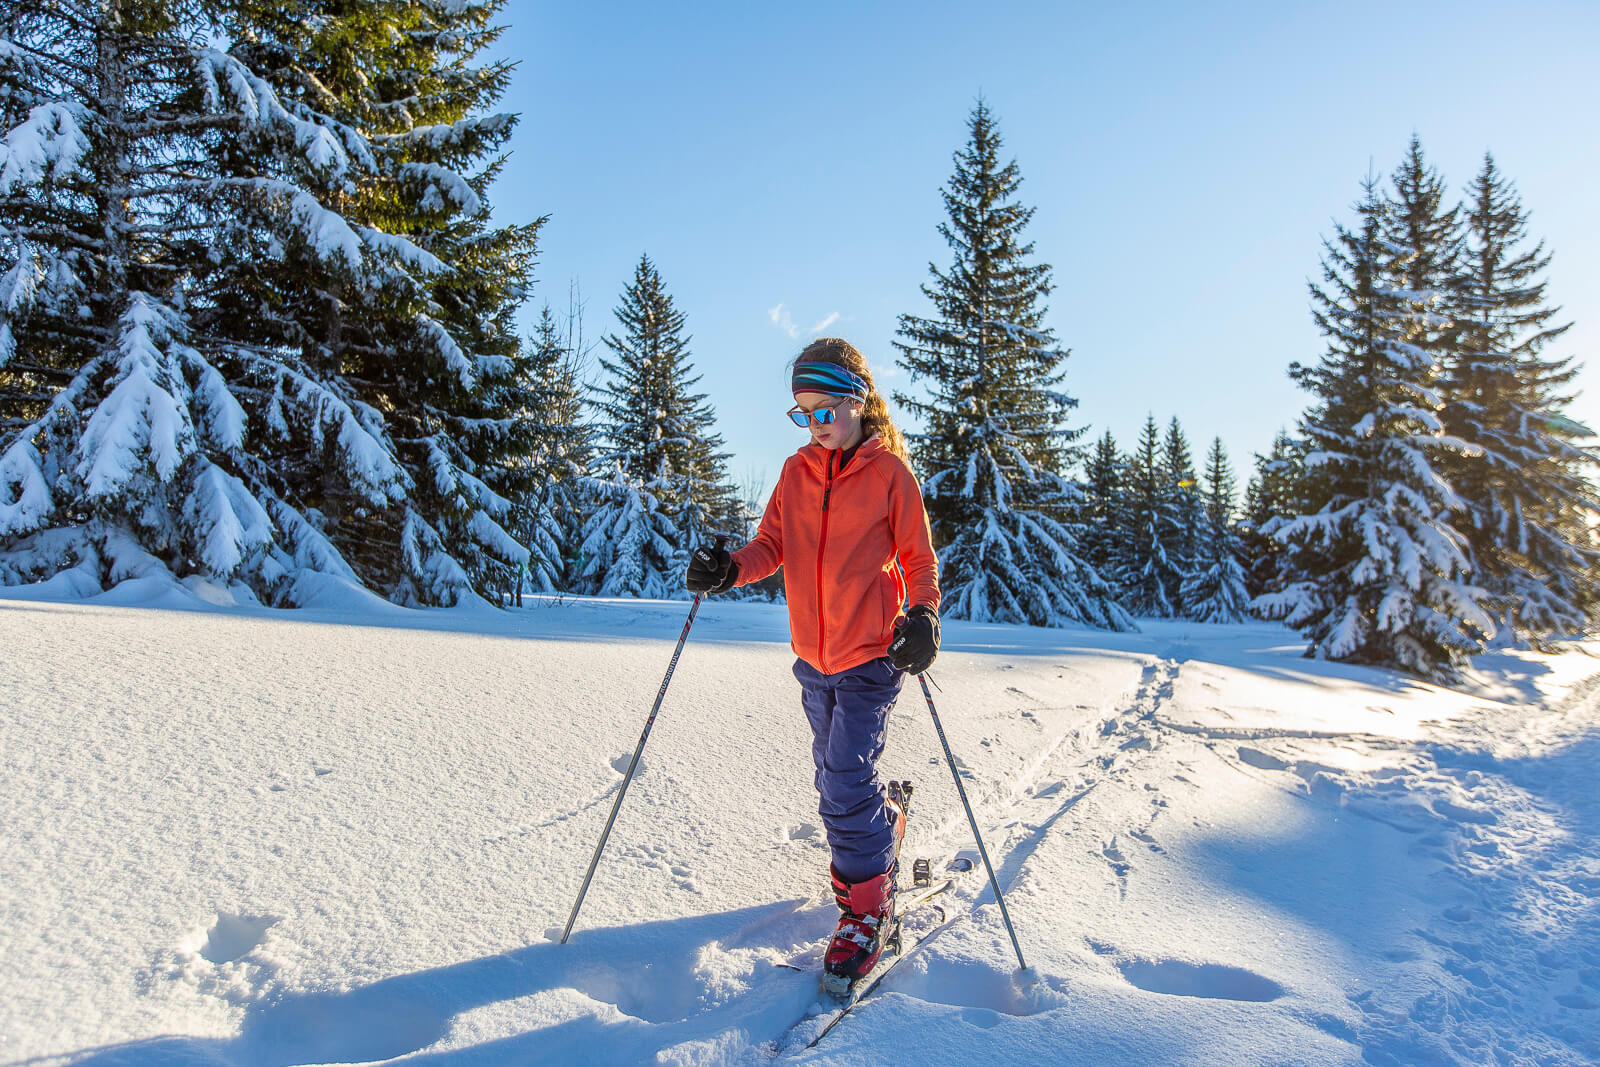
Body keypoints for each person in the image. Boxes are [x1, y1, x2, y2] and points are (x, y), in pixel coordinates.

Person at [685, 337, 941, 990]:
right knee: (840, 776)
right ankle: (884, 823)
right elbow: (771, 545)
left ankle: (867, 908)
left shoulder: (891, 477)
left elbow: (918, 561)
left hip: (870, 657)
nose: (817, 424)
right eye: (804, 413)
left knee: (840, 778)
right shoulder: (796, 475)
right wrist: (728, 569)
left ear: (857, 402)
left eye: (826, 409)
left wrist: (924, 617)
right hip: (813, 659)